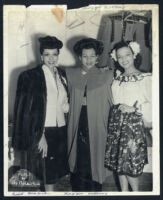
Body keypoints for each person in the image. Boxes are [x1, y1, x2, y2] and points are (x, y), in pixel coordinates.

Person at [12, 36, 69, 191]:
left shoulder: (62, 75)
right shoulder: (30, 77)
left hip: (60, 130)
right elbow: (27, 111)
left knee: (54, 172)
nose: (51, 58)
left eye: (54, 54)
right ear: (41, 56)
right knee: (44, 173)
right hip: (43, 131)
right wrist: (40, 135)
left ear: (58, 55)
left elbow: (63, 104)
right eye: (47, 54)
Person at [65, 38, 113, 191]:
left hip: (97, 123)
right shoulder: (70, 74)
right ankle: (77, 187)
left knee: (95, 155)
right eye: (85, 56)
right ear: (79, 57)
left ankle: (94, 188)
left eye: (92, 56)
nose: (89, 60)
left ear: (97, 57)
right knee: (79, 155)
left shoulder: (107, 76)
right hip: (78, 121)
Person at [105, 40, 152, 191]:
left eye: (127, 55)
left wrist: (134, 108)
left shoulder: (145, 78)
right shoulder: (116, 79)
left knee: (129, 163)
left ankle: (135, 194)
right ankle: (124, 193)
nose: (124, 59)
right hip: (116, 125)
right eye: (120, 57)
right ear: (116, 59)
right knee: (119, 164)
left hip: (133, 126)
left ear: (134, 55)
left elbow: (153, 103)